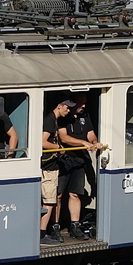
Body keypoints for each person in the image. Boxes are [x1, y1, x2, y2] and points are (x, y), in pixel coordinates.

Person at [59, 99, 101, 239]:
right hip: (63, 160)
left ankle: (75, 226)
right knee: (58, 195)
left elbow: (90, 133)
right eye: (81, 103)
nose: (83, 105)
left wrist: (94, 142)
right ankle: (54, 227)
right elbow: (64, 138)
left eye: (85, 102)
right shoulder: (63, 117)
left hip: (79, 160)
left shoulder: (85, 115)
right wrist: (83, 143)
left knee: (75, 194)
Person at [39, 98, 73, 245]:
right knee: (49, 201)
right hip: (48, 167)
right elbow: (43, 142)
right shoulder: (49, 121)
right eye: (67, 107)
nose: (69, 110)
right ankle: (41, 234)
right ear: (59, 106)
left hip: (50, 166)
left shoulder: (52, 120)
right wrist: (58, 148)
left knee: (49, 200)